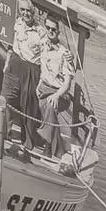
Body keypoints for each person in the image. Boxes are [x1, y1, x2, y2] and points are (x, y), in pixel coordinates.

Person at [0, 3, 44, 147]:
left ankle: (27, 143)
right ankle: (3, 135)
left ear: (33, 12)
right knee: (6, 98)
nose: (25, 13)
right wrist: (7, 63)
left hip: (31, 69)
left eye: (28, 10)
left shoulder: (41, 31)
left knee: (28, 107)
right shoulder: (16, 24)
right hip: (14, 63)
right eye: (22, 10)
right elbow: (10, 46)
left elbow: (45, 57)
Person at [34, 19, 79, 158]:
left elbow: (67, 83)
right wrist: (39, 84)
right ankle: (58, 148)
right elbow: (44, 70)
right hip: (44, 88)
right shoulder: (43, 45)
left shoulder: (64, 53)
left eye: (53, 29)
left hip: (60, 93)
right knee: (43, 108)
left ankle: (47, 148)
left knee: (50, 106)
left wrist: (57, 95)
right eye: (48, 28)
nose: (50, 31)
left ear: (59, 31)